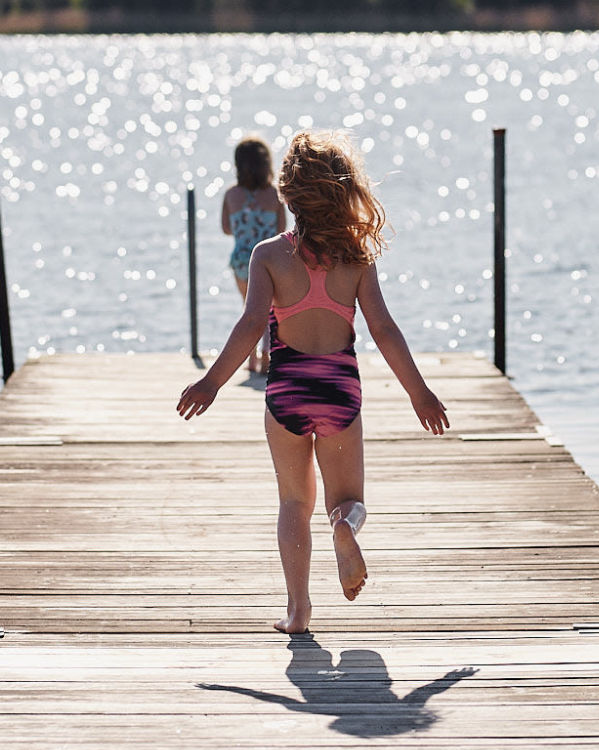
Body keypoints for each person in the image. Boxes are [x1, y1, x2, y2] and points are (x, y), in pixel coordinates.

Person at [178, 131, 449, 635]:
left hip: (286, 390)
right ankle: (345, 528)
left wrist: (212, 383)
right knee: (346, 499)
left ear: (288, 194)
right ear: (344, 193)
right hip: (339, 390)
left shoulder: (267, 255)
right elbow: (385, 331)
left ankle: (299, 610)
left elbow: (251, 324)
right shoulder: (357, 259)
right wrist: (419, 392)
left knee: (293, 504)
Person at [221, 136, 286, 373]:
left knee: (248, 308)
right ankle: (266, 356)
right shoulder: (275, 194)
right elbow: (281, 230)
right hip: (269, 260)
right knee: (269, 309)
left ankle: (250, 358)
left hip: (241, 260)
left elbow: (226, 228)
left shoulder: (231, 194)